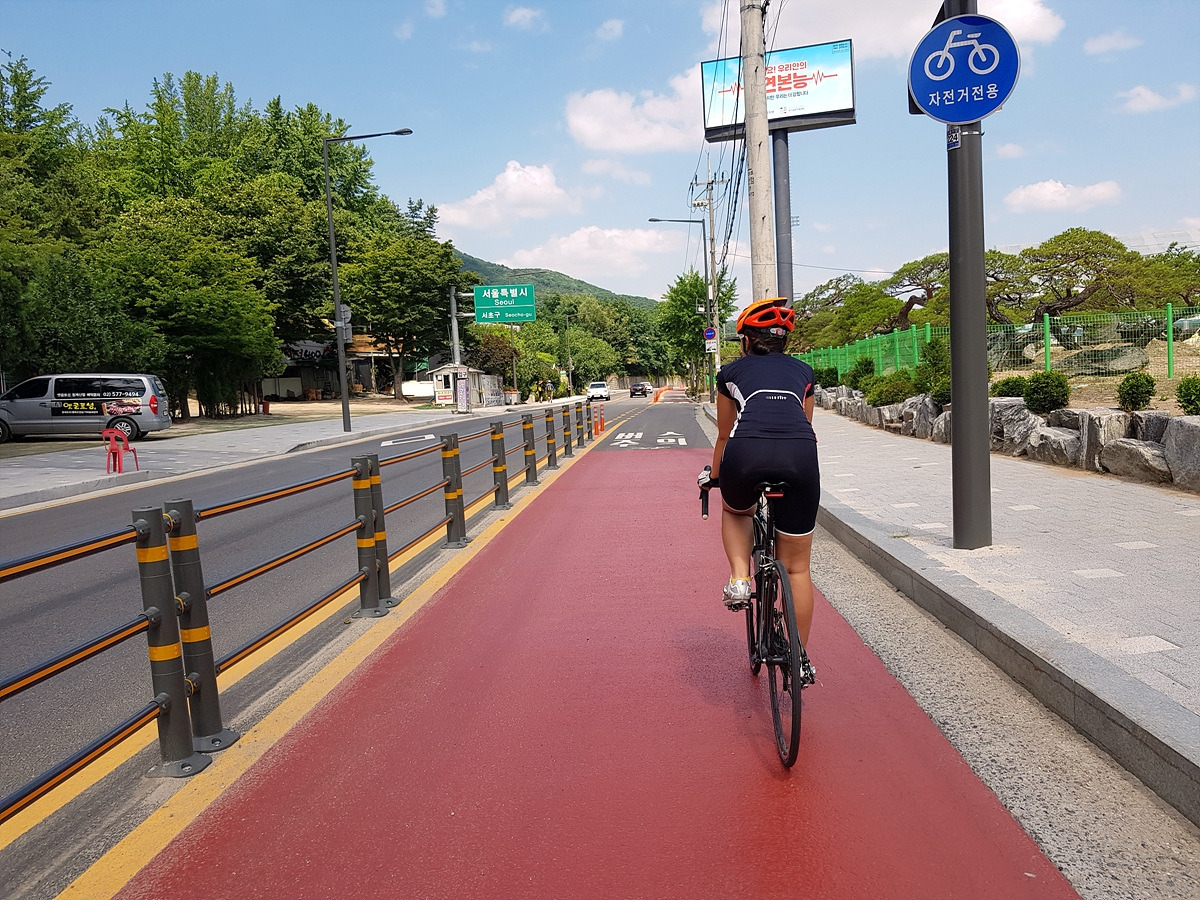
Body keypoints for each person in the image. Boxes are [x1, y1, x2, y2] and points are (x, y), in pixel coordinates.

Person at [698, 297, 820, 648]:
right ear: (784, 341)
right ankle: (800, 660)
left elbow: (724, 434)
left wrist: (715, 477)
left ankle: (740, 578)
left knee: (737, 510)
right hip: (800, 456)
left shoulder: (729, 373)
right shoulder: (804, 372)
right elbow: (806, 424)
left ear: (747, 340)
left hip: (745, 454)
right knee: (797, 568)